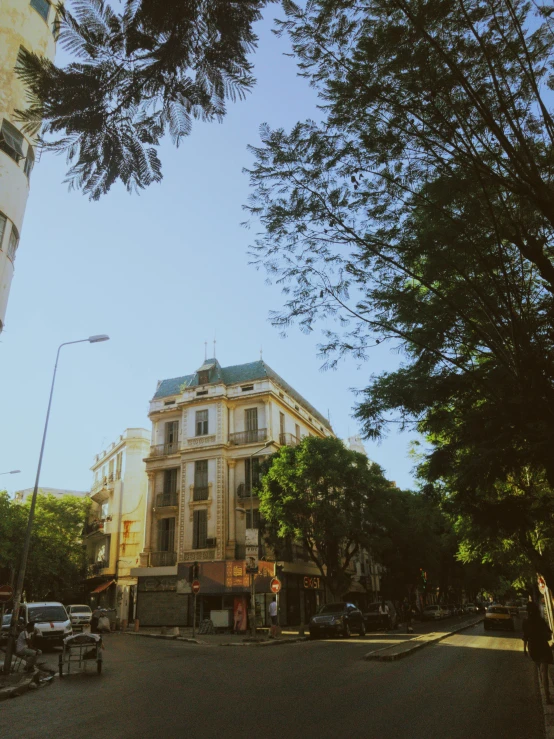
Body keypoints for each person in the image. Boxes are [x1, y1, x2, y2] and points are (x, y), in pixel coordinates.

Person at [523, 602, 553, 704]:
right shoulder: (540, 621)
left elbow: (525, 637)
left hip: (533, 648)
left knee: (540, 669)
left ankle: (545, 691)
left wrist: (524, 650)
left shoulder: (526, 622)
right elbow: (549, 635)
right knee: (544, 672)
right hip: (542, 646)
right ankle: (547, 696)